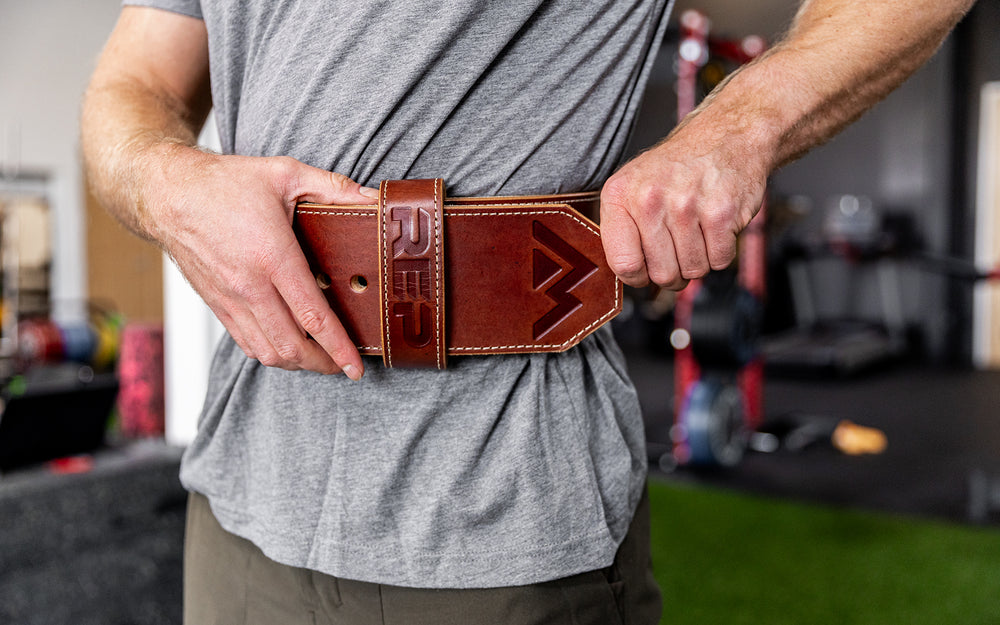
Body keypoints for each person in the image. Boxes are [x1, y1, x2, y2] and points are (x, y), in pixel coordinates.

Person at [81, 0, 972, 623]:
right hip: (241, 492)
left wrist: (737, 129)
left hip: (499, 510)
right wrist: (166, 181)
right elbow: (129, 84)